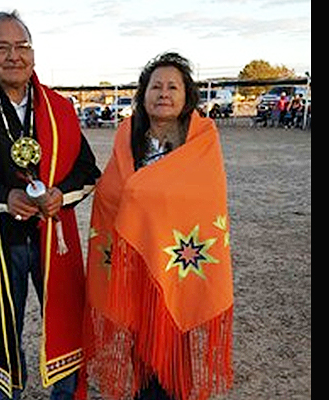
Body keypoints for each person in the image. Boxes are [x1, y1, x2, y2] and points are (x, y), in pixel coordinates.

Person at [0, 10, 101, 400]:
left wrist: (61, 193)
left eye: (21, 46)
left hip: (54, 237)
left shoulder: (59, 108)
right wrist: (3, 197)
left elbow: (88, 170)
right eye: (1, 47)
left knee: (64, 317)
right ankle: (7, 392)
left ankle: (65, 393)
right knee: (1, 324)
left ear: (33, 53)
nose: (13, 56)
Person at [83, 52, 234, 400]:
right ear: (143, 93)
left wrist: (141, 194)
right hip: (136, 257)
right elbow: (111, 192)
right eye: (156, 86)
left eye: (172, 86)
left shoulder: (201, 141)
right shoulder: (128, 137)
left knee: (172, 343)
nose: (163, 93)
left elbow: (206, 197)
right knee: (140, 341)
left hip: (177, 260)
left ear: (186, 96)